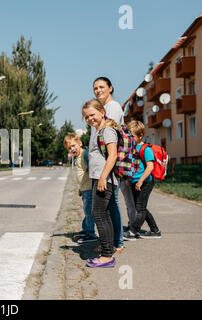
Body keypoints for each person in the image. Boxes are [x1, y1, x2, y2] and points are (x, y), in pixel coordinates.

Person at [92, 77, 135, 251]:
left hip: (109, 165)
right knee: (108, 206)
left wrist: (104, 170)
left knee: (111, 205)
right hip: (102, 165)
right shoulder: (103, 108)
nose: (98, 90)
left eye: (101, 87)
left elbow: (110, 132)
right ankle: (110, 241)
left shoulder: (113, 107)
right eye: (95, 88)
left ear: (110, 88)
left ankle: (117, 242)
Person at [82, 99, 118, 268]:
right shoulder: (97, 131)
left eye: (92, 115)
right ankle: (108, 249)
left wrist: (103, 177)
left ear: (102, 112)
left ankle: (106, 257)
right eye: (86, 117)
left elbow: (113, 156)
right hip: (100, 178)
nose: (90, 119)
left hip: (105, 179)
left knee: (98, 214)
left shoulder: (107, 131)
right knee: (104, 215)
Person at [124, 120, 162, 240]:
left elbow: (150, 167)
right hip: (135, 182)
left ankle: (133, 231)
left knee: (140, 209)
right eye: (128, 136)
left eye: (132, 136)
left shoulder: (146, 149)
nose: (129, 139)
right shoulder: (131, 149)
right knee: (141, 208)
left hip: (145, 182)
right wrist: (129, 179)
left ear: (140, 136)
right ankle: (155, 230)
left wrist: (140, 181)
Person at [64, 133, 98, 244]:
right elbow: (82, 174)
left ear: (80, 143)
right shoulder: (78, 157)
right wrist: (80, 188)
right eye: (69, 148)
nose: (72, 149)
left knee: (89, 212)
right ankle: (86, 229)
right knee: (86, 210)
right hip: (84, 188)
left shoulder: (85, 155)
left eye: (74, 145)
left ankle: (91, 234)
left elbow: (91, 170)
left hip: (89, 188)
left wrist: (94, 187)